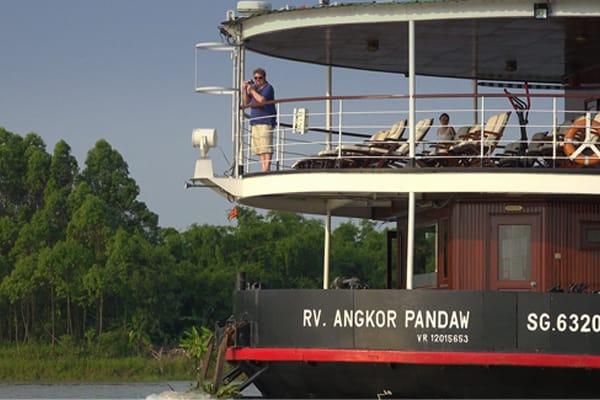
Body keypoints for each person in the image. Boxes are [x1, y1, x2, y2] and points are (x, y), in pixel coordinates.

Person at [242, 68, 276, 172]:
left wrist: (251, 90)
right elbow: (246, 102)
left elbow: (262, 100)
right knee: (259, 147)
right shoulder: (255, 88)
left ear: (264, 77)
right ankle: (263, 166)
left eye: (260, 78)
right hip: (255, 120)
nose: (257, 80)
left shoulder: (268, 88)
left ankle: (267, 167)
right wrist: (244, 89)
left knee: (266, 145)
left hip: (265, 120)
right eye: (255, 78)